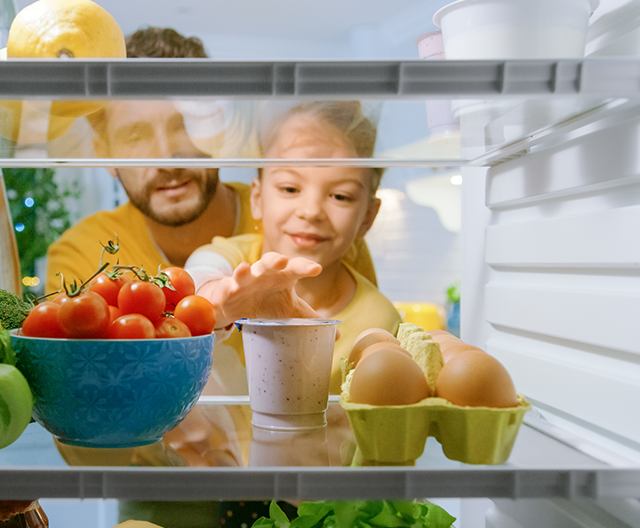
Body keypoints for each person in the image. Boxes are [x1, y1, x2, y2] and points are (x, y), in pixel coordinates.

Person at [42, 26, 377, 294]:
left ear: (218, 132)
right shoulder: (82, 255)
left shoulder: (307, 233)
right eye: (135, 136)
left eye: (184, 126)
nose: (167, 160)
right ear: (105, 154)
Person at [185, 100, 403, 395]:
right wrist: (222, 303)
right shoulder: (231, 258)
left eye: (340, 196)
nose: (311, 211)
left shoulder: (379, 318)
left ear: (367, 217)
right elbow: (200, 279)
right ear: (258, 199)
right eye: (290, 189)